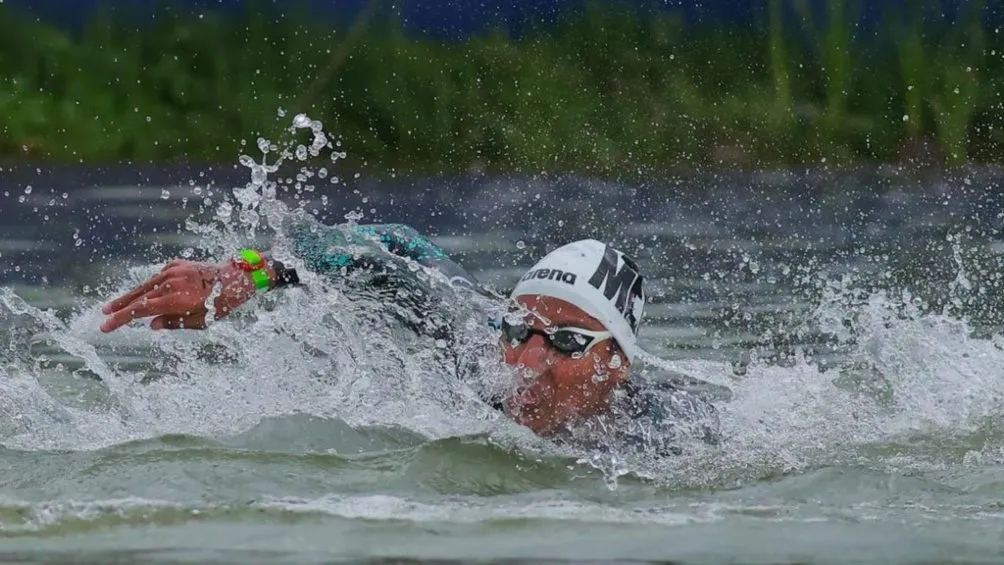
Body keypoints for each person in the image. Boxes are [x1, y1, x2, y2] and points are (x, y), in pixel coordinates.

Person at [99, 211, 721, 455]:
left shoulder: (670, 433)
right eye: (519, 329)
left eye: (564, 341)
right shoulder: (474, 344)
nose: (525, 360)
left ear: (617, 362)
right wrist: (248, 274)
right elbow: (391, 246)